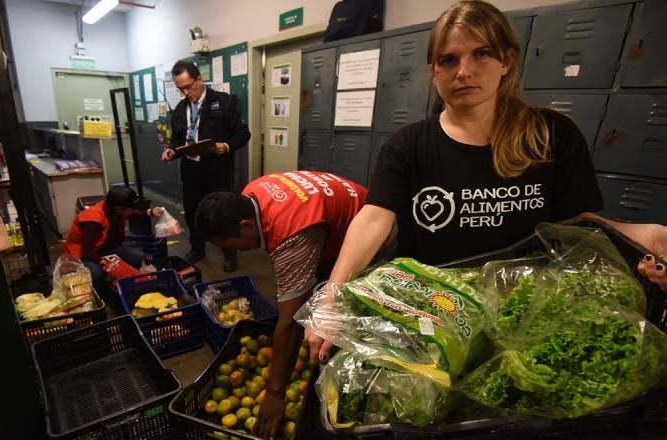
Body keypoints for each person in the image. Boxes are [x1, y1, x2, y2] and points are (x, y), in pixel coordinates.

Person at [306, 0, 667, 365]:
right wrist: (332, 297)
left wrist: (647, 237)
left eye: (481, 54)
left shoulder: (551, 135)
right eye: (449, 60)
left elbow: (575, 224)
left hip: (522, 318)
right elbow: (374, 217)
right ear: (433, 71)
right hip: (435, 318)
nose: (464, 71)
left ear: (506, 60)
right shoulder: (408, 146)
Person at [194, 170, 368, 439]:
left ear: (246, 226)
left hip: (373, 231)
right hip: (333, 221)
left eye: (232, 245)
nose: (236, 252)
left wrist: (275, 394)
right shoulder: (253, 191)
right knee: (300, 296)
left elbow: (290, 325)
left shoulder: (293, 233)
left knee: (343, 313)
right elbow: (289, 272)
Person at [161, 60, 251, 272]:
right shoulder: (180, 109)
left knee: (223, 214)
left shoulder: (224, 102)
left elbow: (242, 134)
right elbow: (177, 139)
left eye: (188, 86)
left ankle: (229, 253)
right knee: (192, 212)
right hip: (191, 171)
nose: (185, 93)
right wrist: (171, 151)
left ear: (199, 79)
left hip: (217, 171)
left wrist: (226, 146)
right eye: (180, 88)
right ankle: (197, 248)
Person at [62, 186, 165, 304]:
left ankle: (135, 287)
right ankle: (97, 298)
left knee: (138, 256)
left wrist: (150, 212)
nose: (133, 210)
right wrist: (111, 266)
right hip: (82, 255)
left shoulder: (114, 209)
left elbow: (131, 214)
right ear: (119, 209)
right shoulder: (93, 221)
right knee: (96, 273)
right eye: (131, 208)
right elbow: (87, 252)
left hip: (104, 248)